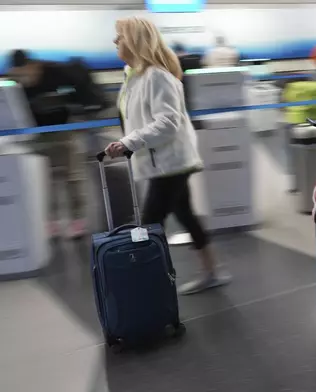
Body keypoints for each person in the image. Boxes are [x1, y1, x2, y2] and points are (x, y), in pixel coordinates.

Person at [105, 16, 231, 295]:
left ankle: (147, 288)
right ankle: (211, 271)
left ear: (135, 40)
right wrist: (127, 141)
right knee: (185, 213)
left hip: (170, 163)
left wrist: (129, 142)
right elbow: (138, 119)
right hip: (161, 161)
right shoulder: (134, 76)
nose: (116, 42)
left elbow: (167, 123)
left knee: (149, 225)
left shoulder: (157, 76)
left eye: (120, 36)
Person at [7, 50, 88, 239]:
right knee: (45, 180)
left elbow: (76, 93)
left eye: (25, 71)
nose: (24, 77)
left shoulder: (55, 72)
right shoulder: (17, 81)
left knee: (72, 177)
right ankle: (52, 222)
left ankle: (77, 221)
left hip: (64, 131)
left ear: (32, 65)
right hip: (37, 135)